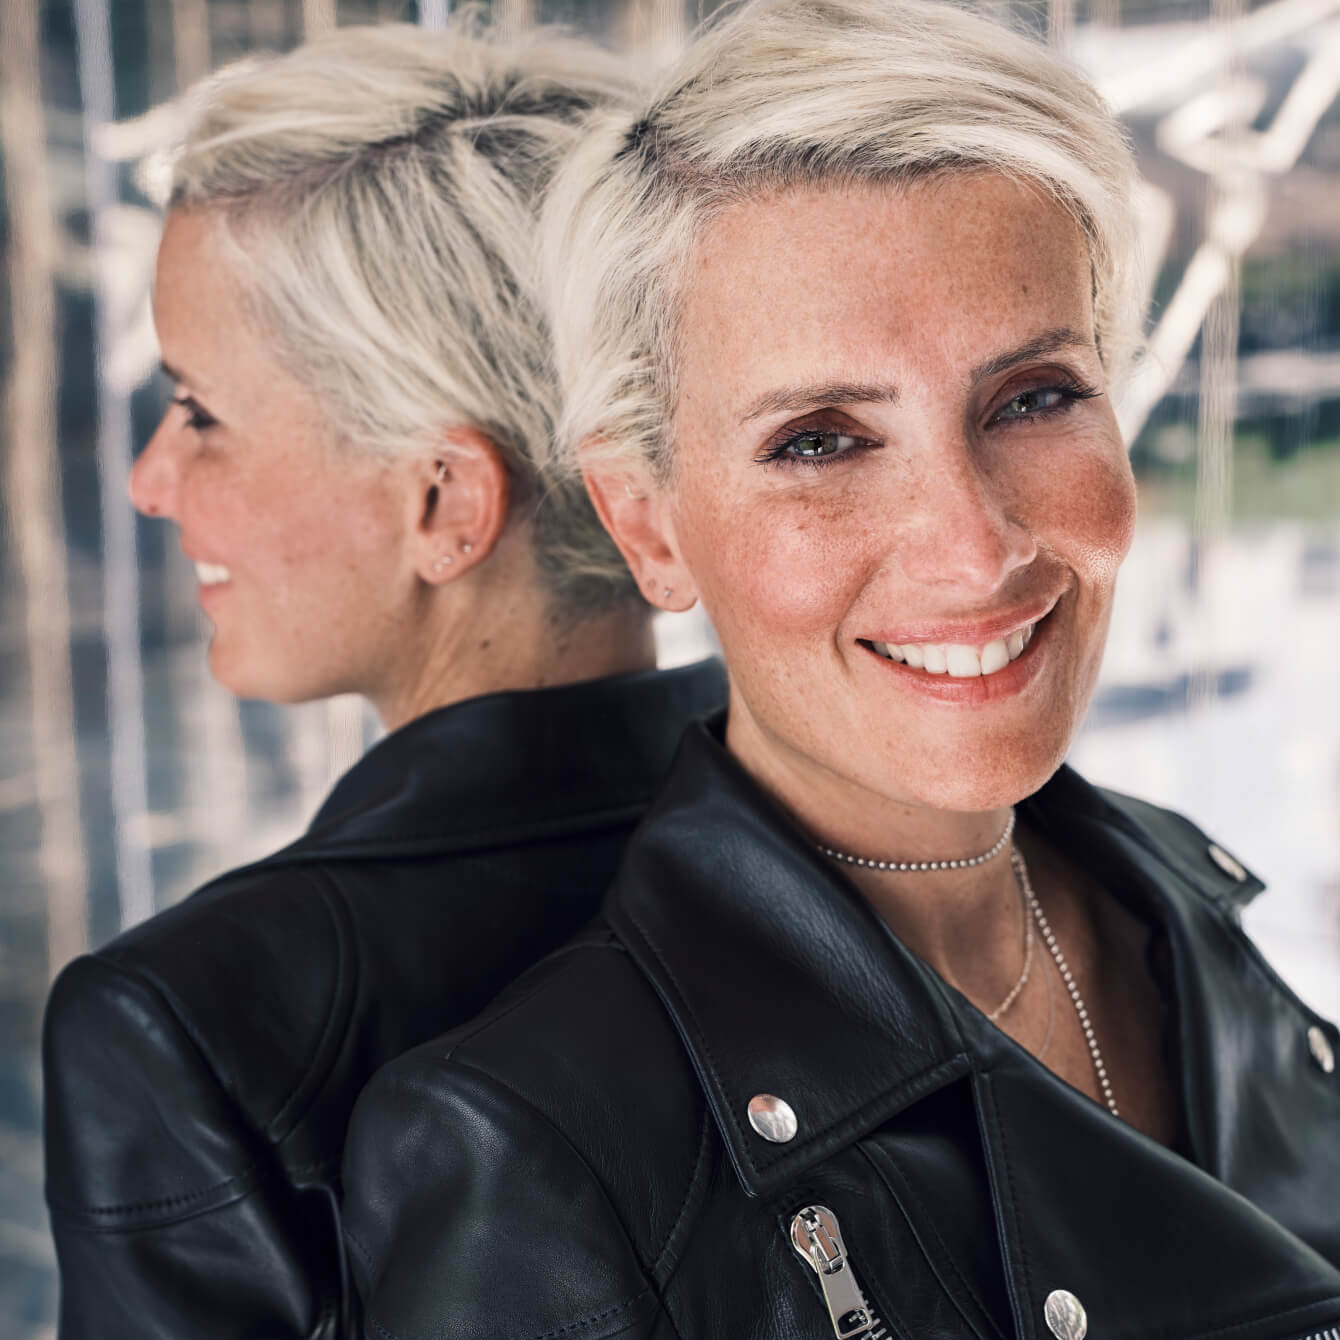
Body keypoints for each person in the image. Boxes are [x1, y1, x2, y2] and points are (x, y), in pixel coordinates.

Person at [340, 1, 1340, 1336]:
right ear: (647, 524)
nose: (975, 549)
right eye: (818, 439)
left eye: (1035, 397)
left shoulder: (1180, 896)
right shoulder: (537, 1159)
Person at [41, 19, 724, 1340]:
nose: (150, 480)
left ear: (446, 503)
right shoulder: (884, 850)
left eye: (200, 412)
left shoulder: (191, 1028)